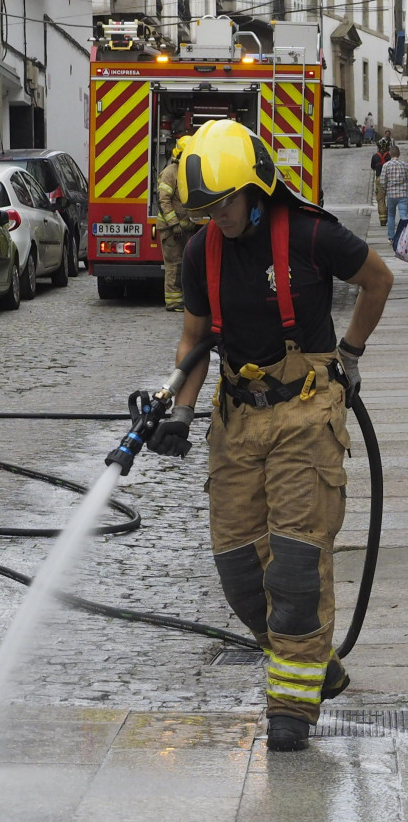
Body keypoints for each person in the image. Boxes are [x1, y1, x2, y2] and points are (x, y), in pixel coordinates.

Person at [148, 119, 393, 752]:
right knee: (238, 573)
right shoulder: (205, 250)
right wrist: (180, 414)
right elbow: (194, 339)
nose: (217, 217)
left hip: (305, 415)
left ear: (256, 189)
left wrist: (352, 352)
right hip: (237, 417)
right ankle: (317, 664)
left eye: (225, 203)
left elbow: (378, 280)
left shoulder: (313, 235)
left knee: (293, 567)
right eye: (205, 207)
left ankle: (291, 707)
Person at [156, 135, 198, 312]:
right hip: (171, 229)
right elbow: (163, 200)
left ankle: (182, 299)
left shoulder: (186, 172)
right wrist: (174, 224)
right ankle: (173, 302)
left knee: (184, 265)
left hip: (185, 228)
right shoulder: (170, 172)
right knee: (174, 265)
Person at [380, 143, 408, 243]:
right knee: (404, 215)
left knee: (391, 215)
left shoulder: (386, 166)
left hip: (391, 194)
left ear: (390, 154)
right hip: (403, 194)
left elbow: (383, 181)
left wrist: (385, 191)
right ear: (399, 154)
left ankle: (391, 237)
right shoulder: (405, 165)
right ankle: (404, 236)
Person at [370, 138, 390, 227]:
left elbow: (372, 167)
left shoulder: (375, 156)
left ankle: (383, 220)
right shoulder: (389, 156)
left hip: (379, 179)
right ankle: (391, 216)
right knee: (390, 199)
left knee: (381, 200)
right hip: (389, 179)